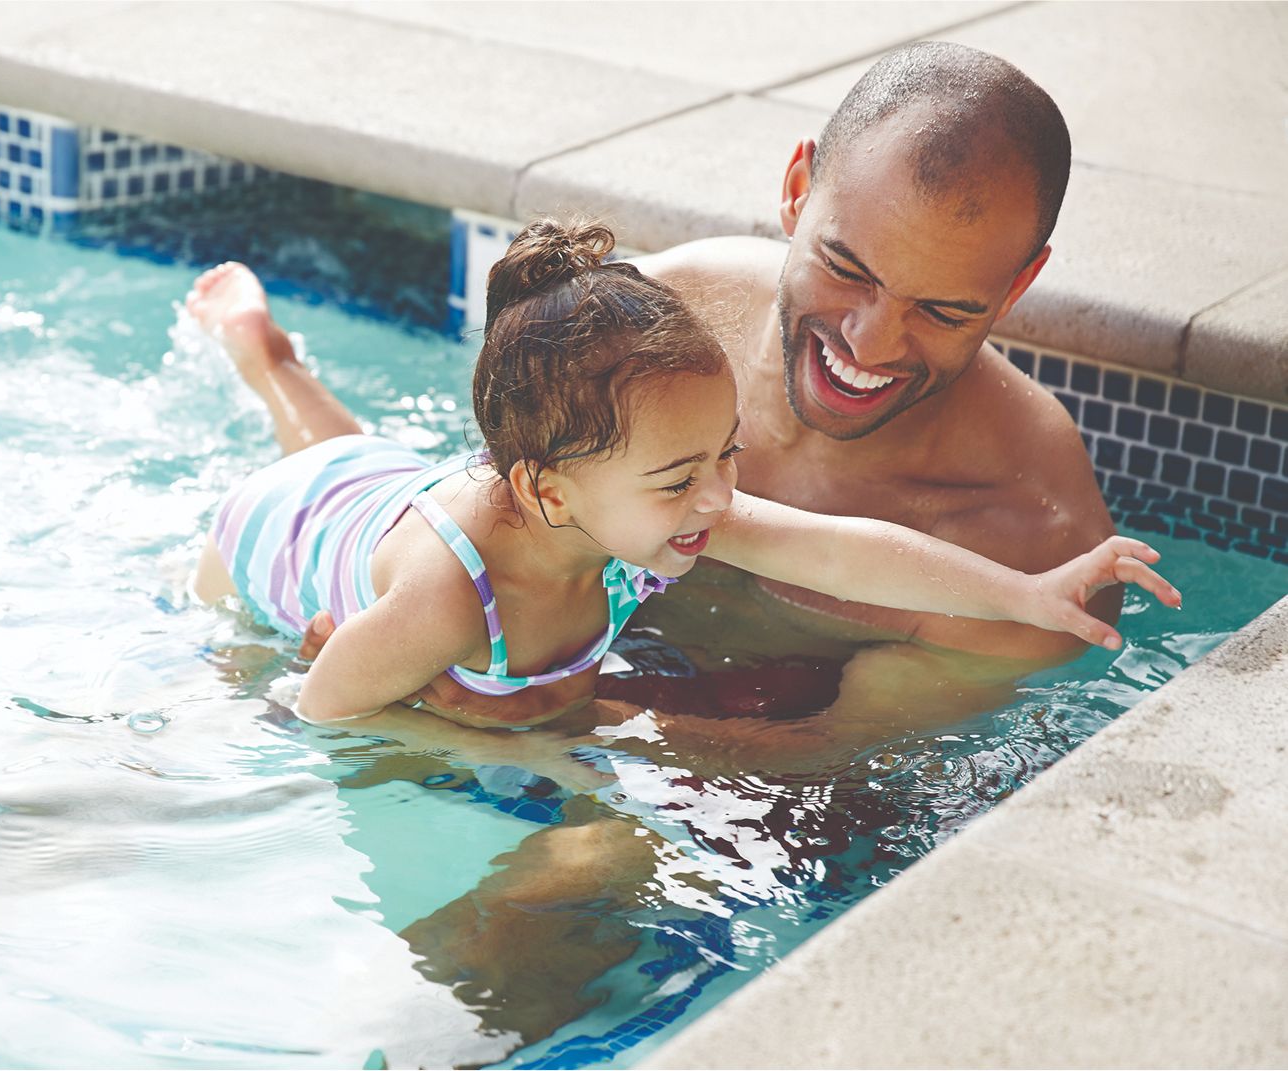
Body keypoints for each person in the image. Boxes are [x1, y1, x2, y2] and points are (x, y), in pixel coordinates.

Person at [182, 41, 1126, 1048]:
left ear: (1019, 283)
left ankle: (265, 359)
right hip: (334, 548)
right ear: (796, 192)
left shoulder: (1028, 539)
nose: (869, 343)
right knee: (413, 525)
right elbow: (350, 661)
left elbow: (825, 763)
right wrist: (482, 721)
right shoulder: (669, 333)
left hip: (594, 671)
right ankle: (270, 364)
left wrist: (560, 721)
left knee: (568, 901)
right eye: (845, 268)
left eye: (943, 310)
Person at [191, 219, 1177, 726]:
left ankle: (267, 358)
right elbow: (312, 720)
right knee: (311, 503)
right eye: (678, 478)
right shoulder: (442, 608)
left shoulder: (638, 505)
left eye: (725, 457)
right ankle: (266, 362)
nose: (718, 497)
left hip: (386, 494)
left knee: (362, 462)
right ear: (548, 491)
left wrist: (1029, 594)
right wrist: (458, 731)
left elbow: (847, 557)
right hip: (269, 536)